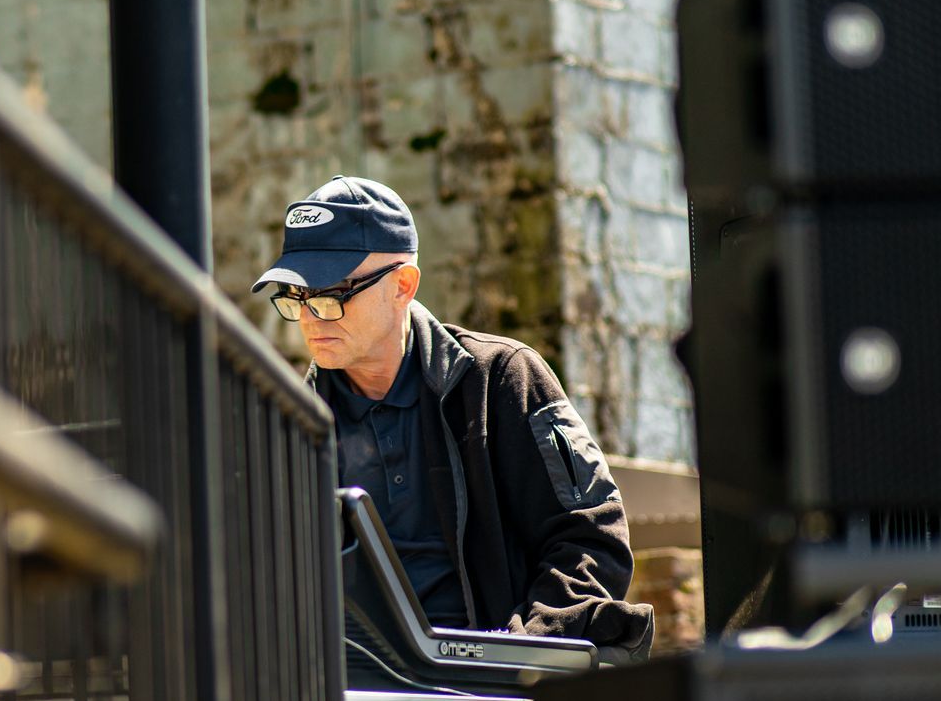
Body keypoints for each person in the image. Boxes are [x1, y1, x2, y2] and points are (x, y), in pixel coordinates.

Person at [252, 175, 652, 657]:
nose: (312, 317)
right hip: (350, 696)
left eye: (332, 294)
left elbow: (591, 538)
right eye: (295, 297)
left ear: (403, 285)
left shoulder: (502, 379)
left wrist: (519, 650)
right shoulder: (288, 423)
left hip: (490, 694)